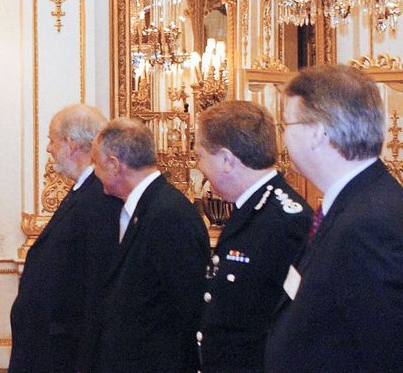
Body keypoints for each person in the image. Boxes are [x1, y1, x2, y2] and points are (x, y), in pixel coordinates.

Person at [265, 65, 403, 371]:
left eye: (286, 124)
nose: (283, 137)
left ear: (317, 133)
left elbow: (386, 352)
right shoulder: (352, 203)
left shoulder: (368, 224)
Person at [194, 101, 310, 372]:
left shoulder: (286, 220)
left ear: (225, 160)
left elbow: (294, 324)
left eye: (200, 156)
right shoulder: (250, 208)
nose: (199, 166)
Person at [87, 117, 209, 372]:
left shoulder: (169, 214)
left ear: (113, 164)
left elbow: (187, 306)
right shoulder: (145, 206)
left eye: (96, 164)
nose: (95, 173)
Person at [9, 105, 121, 373]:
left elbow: (93, 283)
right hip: (50, 346)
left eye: (52, 139)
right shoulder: (84, 189)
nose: (48, 148)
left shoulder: (99, 196)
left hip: (64, 351)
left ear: (71, 144)